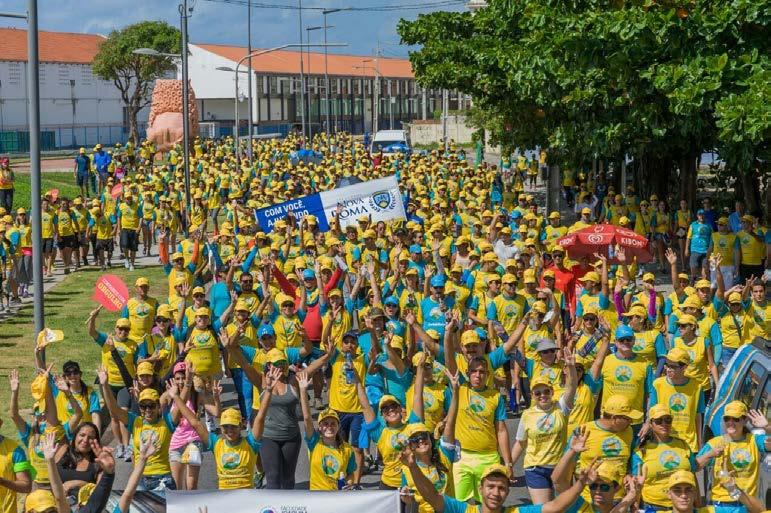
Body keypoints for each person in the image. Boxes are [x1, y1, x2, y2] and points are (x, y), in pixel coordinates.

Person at [169, 367, 279, 490]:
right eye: (225, 426)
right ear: (220, 428)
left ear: (241, 425)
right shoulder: (217, 444)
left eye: (233, 426)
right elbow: (195, 422)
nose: (229, 430)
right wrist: (176, 397)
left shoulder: (251, 443)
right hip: (224, 501)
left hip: (247, 501)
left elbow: (260, 418)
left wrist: (268, 391)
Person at [695, 400, 769, 506]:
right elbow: (695, 467)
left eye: (736, 419)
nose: (731, 423)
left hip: (747, 504)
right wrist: (710, 454)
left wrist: (767, 427)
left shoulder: (754, 441)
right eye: (727, 419)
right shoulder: (716, 442)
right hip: (722, 504)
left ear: (744, 420)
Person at [296, 371, 357, 491]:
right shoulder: (314, 443)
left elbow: (351, 474)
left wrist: (349, 483)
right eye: (325, 424)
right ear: (319, 427)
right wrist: (303, 390)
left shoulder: (347, 449)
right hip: (317, 497)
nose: (329, 427)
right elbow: (307, 418)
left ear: (338, 427)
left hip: (337, 498)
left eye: (333, 423)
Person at [631, 404, 696, 510]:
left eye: (668, 420)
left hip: (683, 506)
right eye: (659, 421)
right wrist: (635, 509)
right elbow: (637, 484)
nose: (664, 424)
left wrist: (697, 504)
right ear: (651, 424)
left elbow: (692, 475)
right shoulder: (641, 450)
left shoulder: (683, 444)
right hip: (653, 507)